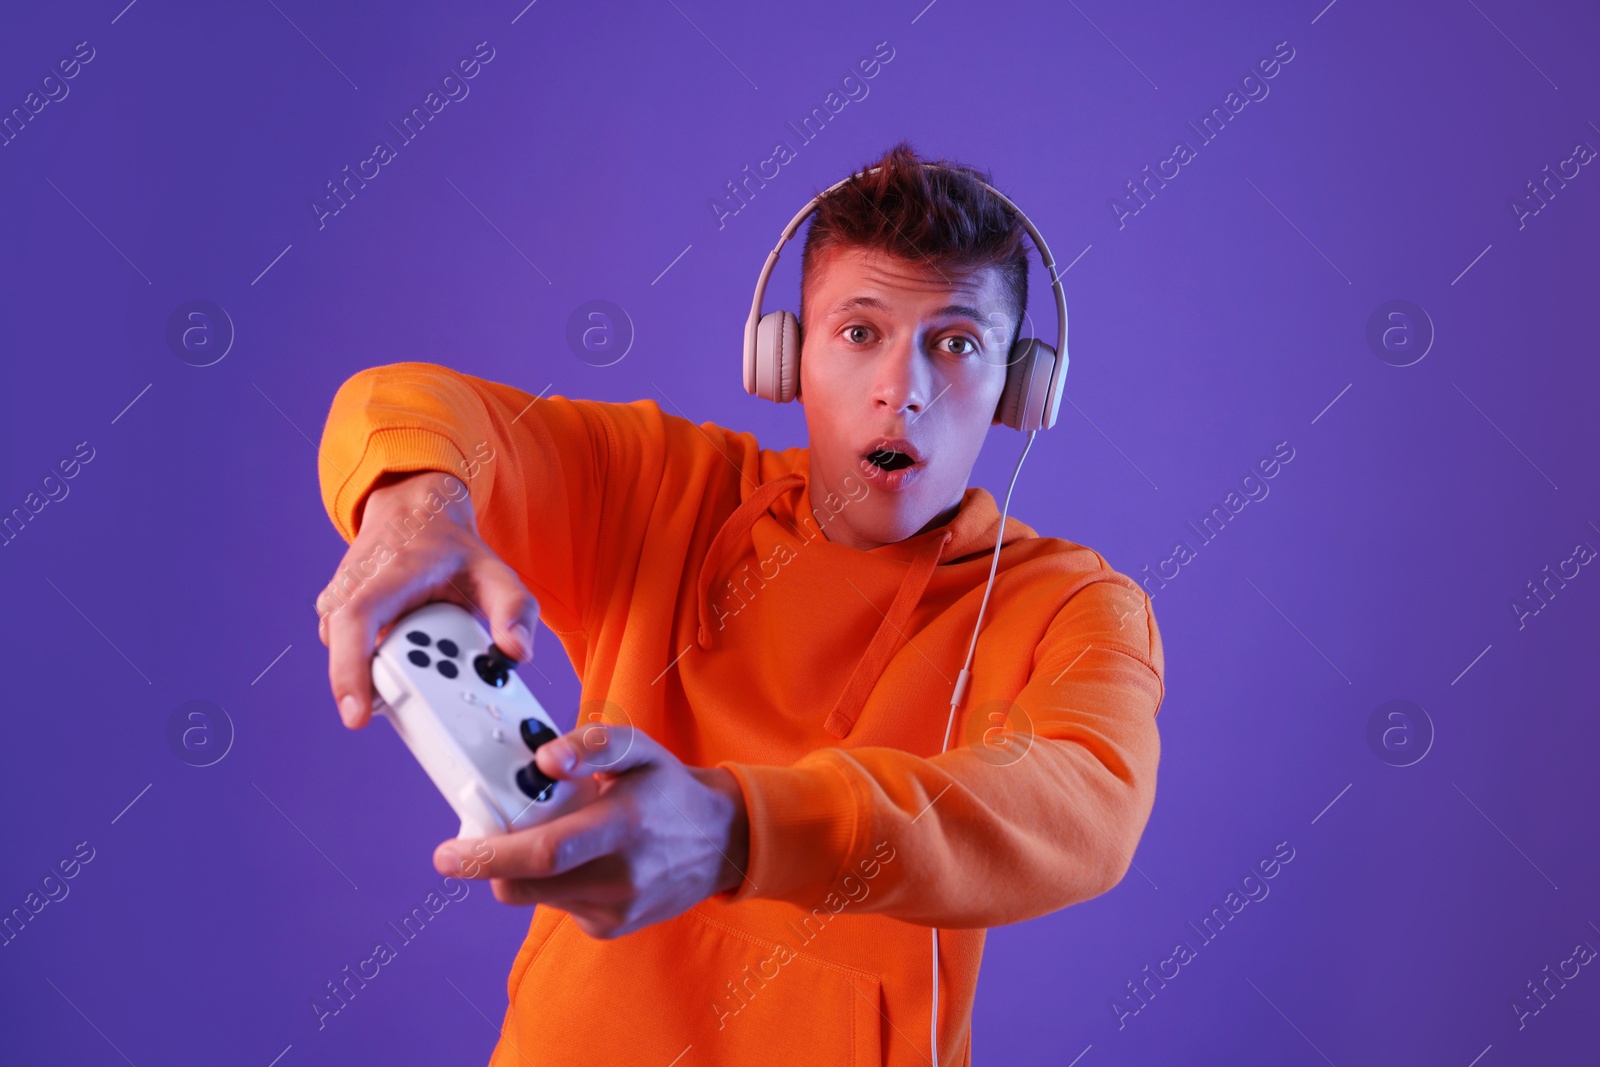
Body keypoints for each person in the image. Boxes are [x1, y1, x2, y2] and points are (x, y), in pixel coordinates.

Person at [314, 141, 1165, 1066]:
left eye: (956, 344)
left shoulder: (1074, 603)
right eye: (859, 331)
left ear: (1019, 389)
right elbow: (400, 400)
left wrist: (738, 831)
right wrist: (418, 506)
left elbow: (1086, 800)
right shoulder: (665, 489)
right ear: (787, 357)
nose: (902, 390)